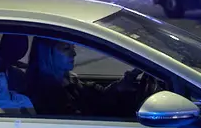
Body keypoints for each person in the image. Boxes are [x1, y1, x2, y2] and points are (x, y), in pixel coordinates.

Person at [24, 38, 155, 118]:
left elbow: (97, 96)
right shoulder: (44, 93)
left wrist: (122, 85)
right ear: (47, 54)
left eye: (73, 47)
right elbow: (80, 120)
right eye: (66, 48)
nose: (74, 53)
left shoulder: (69, 81)